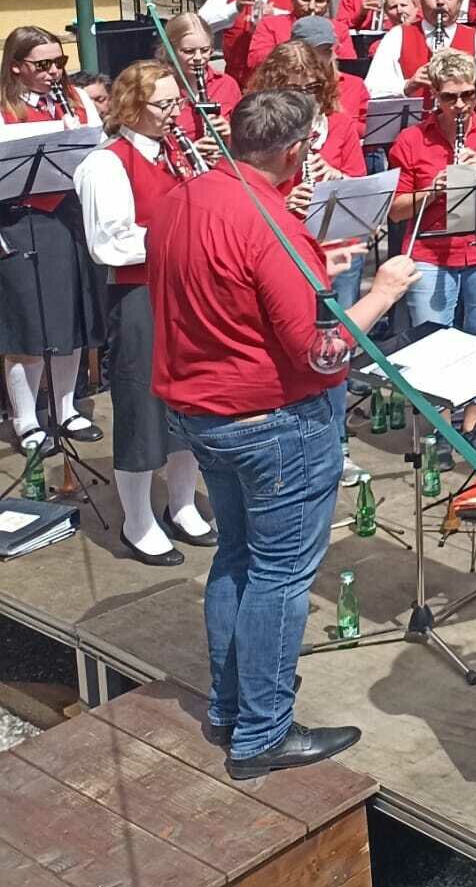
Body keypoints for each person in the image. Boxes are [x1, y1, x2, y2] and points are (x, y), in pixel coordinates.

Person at [154, 89, 417, 777]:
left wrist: (308, 276)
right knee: (279, 573)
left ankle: (230, 704)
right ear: (296, 151)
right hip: (273, 421)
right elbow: (322, 352)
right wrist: (385, 289)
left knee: (237, 555)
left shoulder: (183, 196)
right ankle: (262, 731)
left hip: (205, 412)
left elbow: (232, 294)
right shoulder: (269, 222)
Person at [74, 60, 212, 565]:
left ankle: (180, 503)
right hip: (139, 298)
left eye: (177, 102)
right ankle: (137, 519)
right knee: (141, 406)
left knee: (191, 403)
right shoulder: (105, 163)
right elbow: (110, 244)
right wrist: (182, 236)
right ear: (131, 107)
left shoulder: (178, 153)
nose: (175, 113)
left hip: (188, 294)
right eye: (164, 104)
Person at [0, 26, 106, 452]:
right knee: (26, 326)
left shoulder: (75, 101)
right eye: (42, 65)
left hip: (67, 216)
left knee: (70, 321)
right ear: (17, 67)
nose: (54, 72)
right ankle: (27, 418)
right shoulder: (4, 107)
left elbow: (97, 147)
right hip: (16, 219)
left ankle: (66, 408)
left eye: (59, 63)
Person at [388, 48, 476, 347]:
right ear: (434, 93)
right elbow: (396, 212)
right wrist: (433, 191)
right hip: (431, 254)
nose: (461, 105)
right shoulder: (410, 140)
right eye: (449, 97)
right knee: (430, 344)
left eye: (468, 94)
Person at [245, 40, 370, 311]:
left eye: (312, 88)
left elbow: (362, 190)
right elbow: (245, 195)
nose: (305, 97)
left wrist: (337, 177)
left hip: (339, 243)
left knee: (343, 328)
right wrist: (285, 204)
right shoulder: (259, 132)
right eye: (294, 89)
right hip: (284, 247)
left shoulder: (339, 124)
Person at [164, 12, 238, 167]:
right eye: (189, 51)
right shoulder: (159, 88)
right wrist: (188, 153)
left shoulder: (227, 85)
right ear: (170, 51)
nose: (198, 58)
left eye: (205, 50)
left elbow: (248, 145)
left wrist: (229, 135)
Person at [248, 0, 358, 71]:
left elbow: (347, 66)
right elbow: (255, 61)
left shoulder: (339, 29)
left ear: (328, 3)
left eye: (319, 1)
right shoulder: (270, 25)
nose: (311, 6)